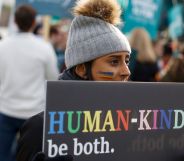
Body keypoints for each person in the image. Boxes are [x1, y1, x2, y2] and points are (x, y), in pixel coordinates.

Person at [16, 0, 131, 161]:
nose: (127, 71)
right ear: (82, 69)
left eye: (127, 61)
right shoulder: (41, 129)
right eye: (114, 61)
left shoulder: (126, 123)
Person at [0, 5, 59, 161]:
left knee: (3, 155)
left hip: (6, 108)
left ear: (14, 20)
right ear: (34, 22)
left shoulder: (2, 46)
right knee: (28, 157)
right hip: (33, 112)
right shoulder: (44, 48)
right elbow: (53, 79)